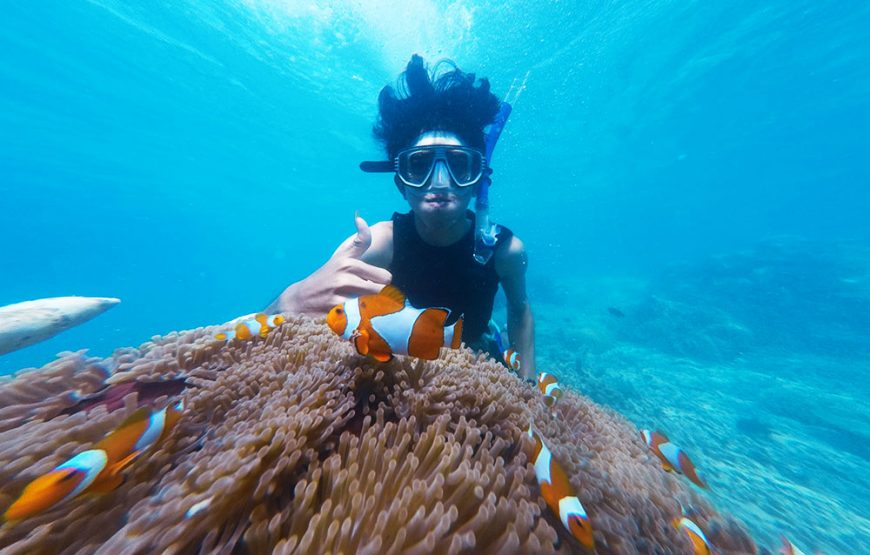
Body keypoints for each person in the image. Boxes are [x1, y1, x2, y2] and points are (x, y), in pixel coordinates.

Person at [267, 55, 535, 380]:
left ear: (478, 178)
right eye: (419, 166)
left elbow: (520, 312)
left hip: (475, 346)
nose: (439, 181)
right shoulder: (380, 242)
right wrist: (289, 301)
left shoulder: (505, 251)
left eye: (459, 165)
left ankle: (493, 335)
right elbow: (320, 302)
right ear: (401, 184)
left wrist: (529, 382)